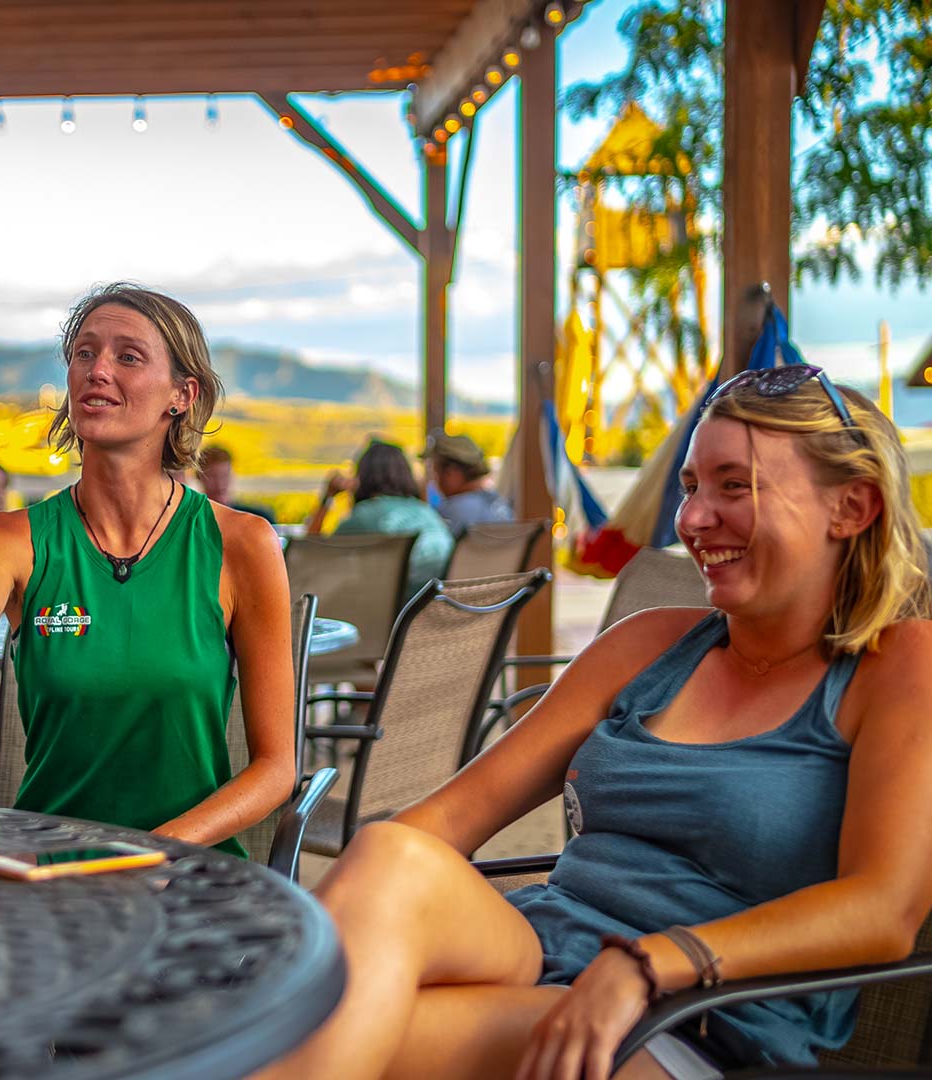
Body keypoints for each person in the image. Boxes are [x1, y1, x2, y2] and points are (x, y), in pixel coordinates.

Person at [271, 368, 932, 1078]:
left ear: (852, 506)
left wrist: (652, 962)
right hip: (538, 946)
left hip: (694, 1017)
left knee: (301, 1043)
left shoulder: (898, 666)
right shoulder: (646, 645)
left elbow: (883, 910)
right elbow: (445, 820)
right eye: (690, 487)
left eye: (735, 486)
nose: (692, 520)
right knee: (387, 856)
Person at [0, 283, 300, 858]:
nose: (97, 370)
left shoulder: (241, 543)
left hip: (185, 874)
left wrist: (156, 850)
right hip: (49, 874)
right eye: (84, 353)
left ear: (182, 395)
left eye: (128, 357)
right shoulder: (14, 541)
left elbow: (277, 768)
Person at [305, 439, 454, 600]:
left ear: (363, 477)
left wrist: (328, 497)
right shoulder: (428, 513)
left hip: (387, 608)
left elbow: (310, 552)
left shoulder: (365, 516)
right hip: (433, 607)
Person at [425, 431, 515, 534]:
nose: (434, 481)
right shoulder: (498, 503)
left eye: (436, 473)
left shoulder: (455, 510)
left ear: (452, 472)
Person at [196, 445, 276, 522]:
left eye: (225, 475)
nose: (220, 484)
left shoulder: (259, 517)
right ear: (199, 477)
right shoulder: (194, 517)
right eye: (212, 476)